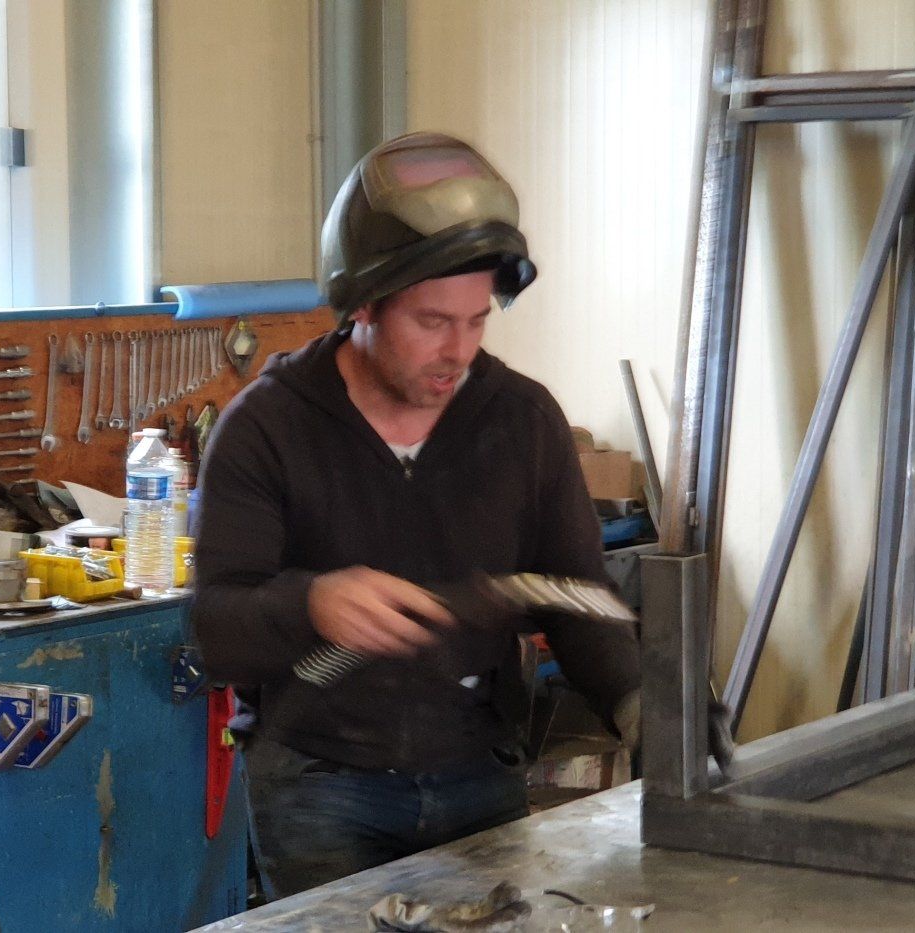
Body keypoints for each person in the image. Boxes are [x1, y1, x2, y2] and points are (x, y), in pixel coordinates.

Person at [190, 131, 642, 898]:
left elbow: (576, 598)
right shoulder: (266, 428)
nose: (457, 350)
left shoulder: (522, 420)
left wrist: (642, 703)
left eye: (476, 320)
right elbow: (216, 628)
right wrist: (312, 603)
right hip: (319, 784)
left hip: (479, 773)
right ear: (364, 303)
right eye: (432, 321)